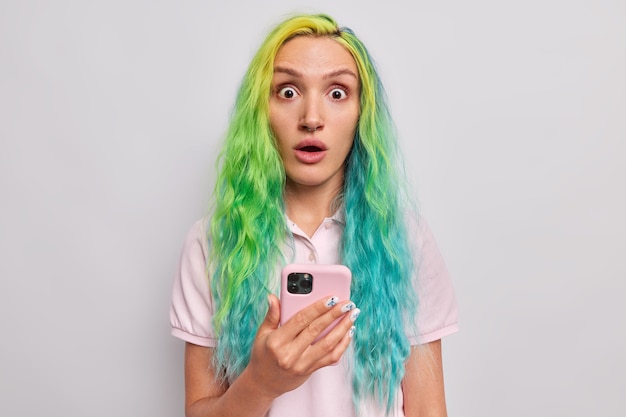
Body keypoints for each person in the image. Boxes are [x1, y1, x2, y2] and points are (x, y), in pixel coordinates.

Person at [170, 13, 458, 417]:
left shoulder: (404, 240)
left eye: (337, 93)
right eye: (287, 91)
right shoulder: (213, 242)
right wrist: (261, 383)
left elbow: (429, 410)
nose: (311, 118)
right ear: (260, 111)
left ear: (362, 114)